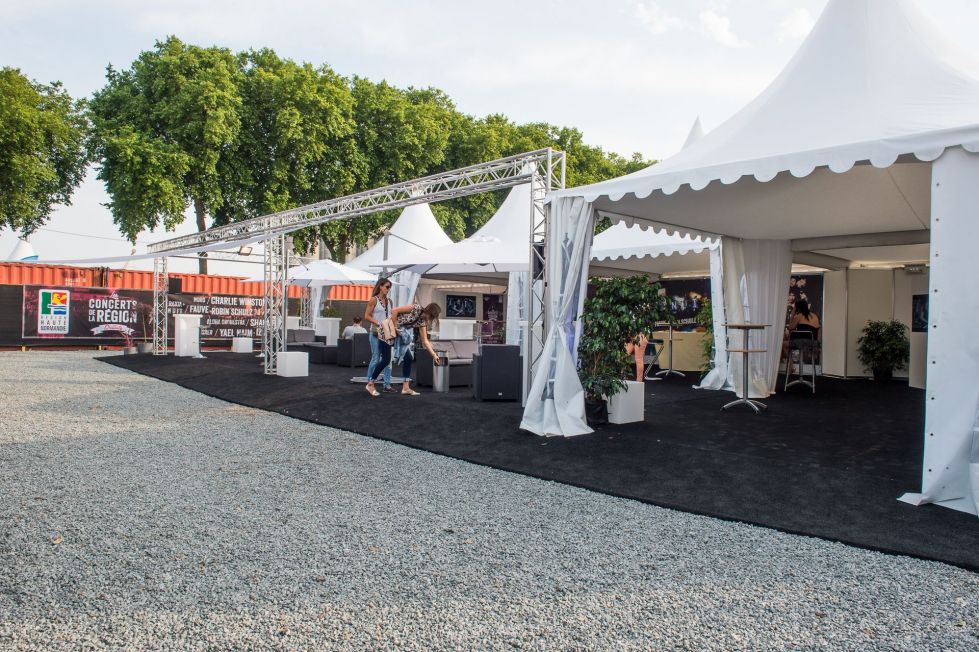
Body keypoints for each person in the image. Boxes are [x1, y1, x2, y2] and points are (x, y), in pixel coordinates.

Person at [384, 301, 443, 395]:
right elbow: (394, 311)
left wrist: (434, 355)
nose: (430, 319)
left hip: (400, 337)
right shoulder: (416, 308)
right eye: (431, 316)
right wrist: (395, 327)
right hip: (388, 331)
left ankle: (405, 388)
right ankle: (372, 383)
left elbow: (425, 341)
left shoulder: (422, 322)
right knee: (382, 359)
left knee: (408, 358)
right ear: (429, 311)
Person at [363, 278, 394, 396]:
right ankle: (370, 383)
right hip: (376, 333)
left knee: (387, 360)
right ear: (380, 286)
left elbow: (391, 316)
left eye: (389, 287)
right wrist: (379, 323)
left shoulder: (390, 301)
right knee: (376, 358)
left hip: (387, 334)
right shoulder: (373, 300)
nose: (388, 289)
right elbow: (367, 316)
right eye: (387, 287)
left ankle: (387, 385)